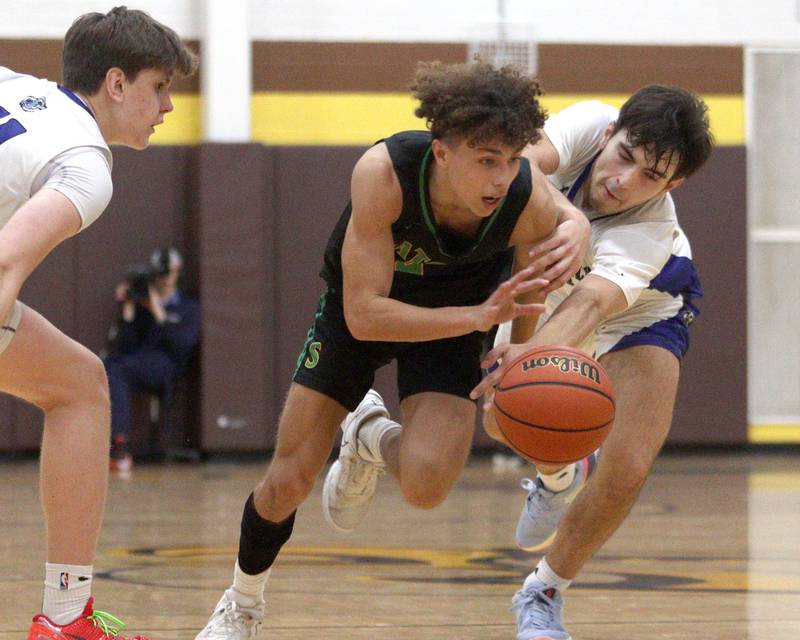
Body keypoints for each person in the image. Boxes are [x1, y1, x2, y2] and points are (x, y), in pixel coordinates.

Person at [195, 60, 591, 639]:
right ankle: (242, 602)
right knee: (288, 482)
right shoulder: (383, 173)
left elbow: (530, 285)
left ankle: (370, 436)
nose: (501, 178)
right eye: (486, 161)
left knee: (428, 485)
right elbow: (363, 311)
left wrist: (517, 357)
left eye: (511, 161)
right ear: (442, 152)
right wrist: (481, 317)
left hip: (458, 318)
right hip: (368, 310)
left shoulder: (524, 197)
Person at [471, 85, 713, 639]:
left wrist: (529, 358)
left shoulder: (651, 229)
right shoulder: (584, 124)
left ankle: (545, 592)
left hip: (643, 307)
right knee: (501, 417)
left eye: (650, 177)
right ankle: (559, 475)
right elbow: (520, 166)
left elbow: (595, 304)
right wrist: (570, 217)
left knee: (627, 467)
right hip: (553, 281)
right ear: (609, 134)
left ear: (671, 186)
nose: (624, 180)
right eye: (624, 155)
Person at [0, 7, 197, 640]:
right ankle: (62, 622)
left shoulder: (17, 88)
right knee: (82, 388)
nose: (166, 106)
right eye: (159, 86)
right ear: (116, 83)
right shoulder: (86, 164)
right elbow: (5, 259)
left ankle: (66, 618)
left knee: (82, 383)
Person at [105, 247, 201, 472]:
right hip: (137, 363)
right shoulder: (142, 306)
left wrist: (159, 312)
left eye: (170, 273)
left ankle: (119, 446)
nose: (165, 279)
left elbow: (181, 346)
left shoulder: (189, 307)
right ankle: (117, 443)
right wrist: (128, 313)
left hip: (167, 365)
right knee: (111, 366)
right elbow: (124, 349)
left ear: (179, 274)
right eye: (160, 274)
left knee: (117, 367)